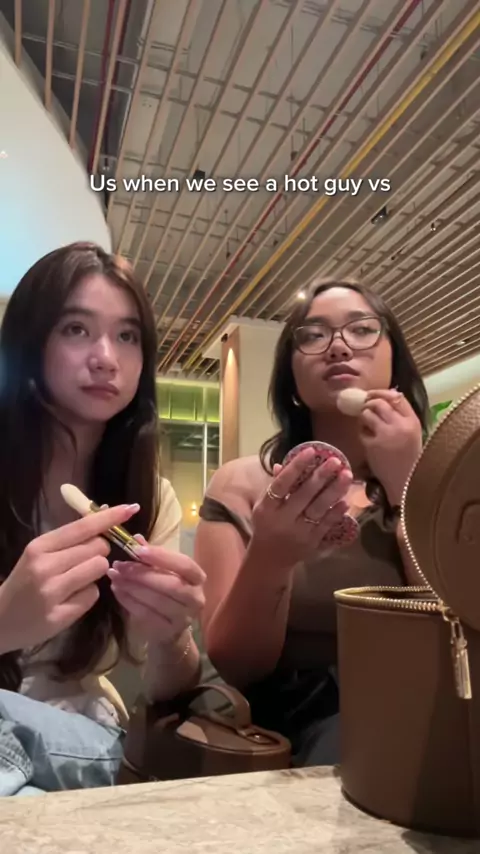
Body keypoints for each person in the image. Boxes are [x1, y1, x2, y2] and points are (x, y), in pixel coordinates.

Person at [195, 278, 430, 767]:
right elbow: (237, 664)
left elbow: (456, 626)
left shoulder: (439, 480)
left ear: (396, 362)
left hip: (421, 704)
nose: (339, 346)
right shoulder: (244, 484)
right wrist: (272, 555)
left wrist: (408, 488)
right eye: (314, 335)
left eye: (362, 329)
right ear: (292, 380)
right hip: (295, 723)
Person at [0, 242, 206, 795]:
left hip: (80, 740)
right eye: (76, 329)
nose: (106, 358)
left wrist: (171, 633)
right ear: (30, 340)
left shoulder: (148, 500)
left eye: (127, 336)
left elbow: (168, 690)